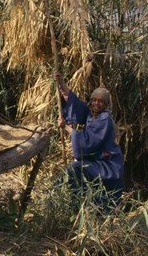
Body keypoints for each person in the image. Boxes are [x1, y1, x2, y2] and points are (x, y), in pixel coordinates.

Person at [54, 72, 124, 208]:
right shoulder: (91, 114)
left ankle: (69, 200)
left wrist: (66, 127)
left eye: (100, 101)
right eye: (94, 100)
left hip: (108, 166)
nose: (96, 103)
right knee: (74, 170)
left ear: (106, 104)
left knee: (75, 168)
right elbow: (76, 105)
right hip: (97, 161)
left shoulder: (104, 119)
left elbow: (88, 142)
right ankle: (67, 200)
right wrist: (62, 84)